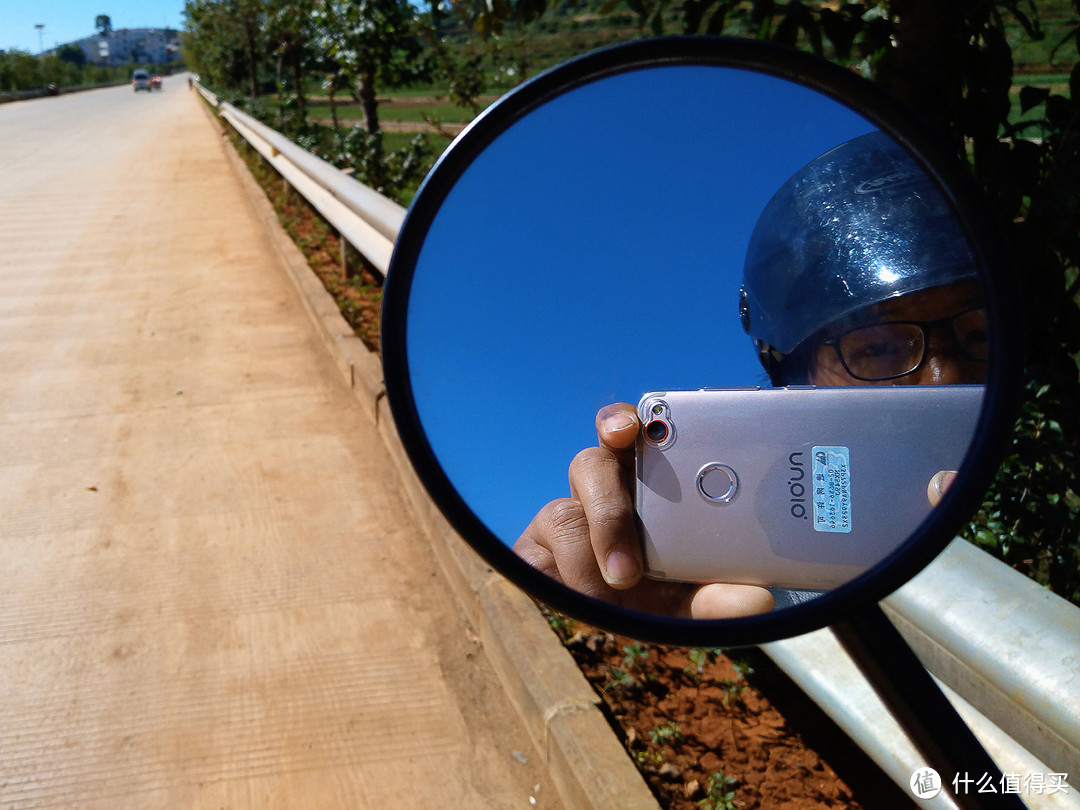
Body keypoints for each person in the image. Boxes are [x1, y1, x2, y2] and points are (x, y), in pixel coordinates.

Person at [513, 131, 988, 620]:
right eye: (879, 348)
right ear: (796, 376)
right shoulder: (770, 573)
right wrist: (649, 606)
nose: (940, 378)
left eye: (980, 338)